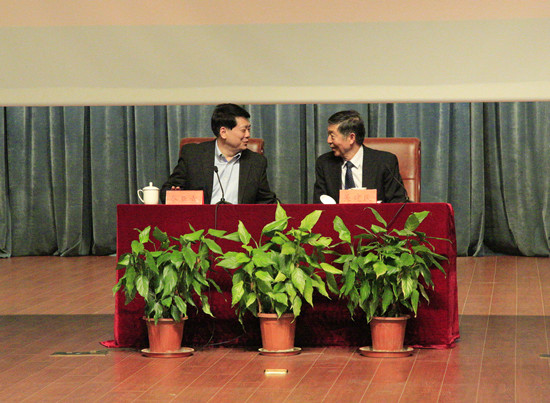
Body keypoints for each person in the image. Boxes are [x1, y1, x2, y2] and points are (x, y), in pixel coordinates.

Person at [160, 103, 277, 204]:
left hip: (239, 222)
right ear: (223, 132)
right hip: (201, 221)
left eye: (249, 129)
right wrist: (175, 195)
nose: (248, 135)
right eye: (243, 130)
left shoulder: (256, 162)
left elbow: (267, 201)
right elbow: (166, 192)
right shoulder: (193, 156)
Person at [313, 110, 407, 203]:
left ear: (351, 138)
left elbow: (398, 202)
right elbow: (319, 204)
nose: (328, 141)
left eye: (332, 136)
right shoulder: (324, 163)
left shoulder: (385, 162)